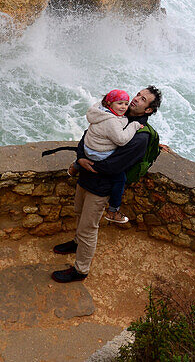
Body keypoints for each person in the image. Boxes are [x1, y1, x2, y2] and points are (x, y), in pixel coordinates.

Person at [50, 85, 162, 283]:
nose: (136, 99)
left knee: (88, 228)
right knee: (78, 212)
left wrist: (84, 163)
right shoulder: (116, 113)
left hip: (101, 186)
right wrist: (81, 157)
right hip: (86, 175)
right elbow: (89, 134)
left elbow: (115, 165)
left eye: (143, 100)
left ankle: (81, 270)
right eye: (138, 94)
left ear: (148, 110)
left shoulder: (141, 135)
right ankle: (77, 243)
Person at [80, 88, 142, 224]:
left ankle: (75, 165)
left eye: (126, 104)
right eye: (119, 103)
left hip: (88, 149)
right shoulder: (111, 121)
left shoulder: (98, 110)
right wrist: (134, 125)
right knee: (120, 179)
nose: (124, 107)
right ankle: (113, 211)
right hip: (99, 155)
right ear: (109, 104)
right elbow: (121, 139)